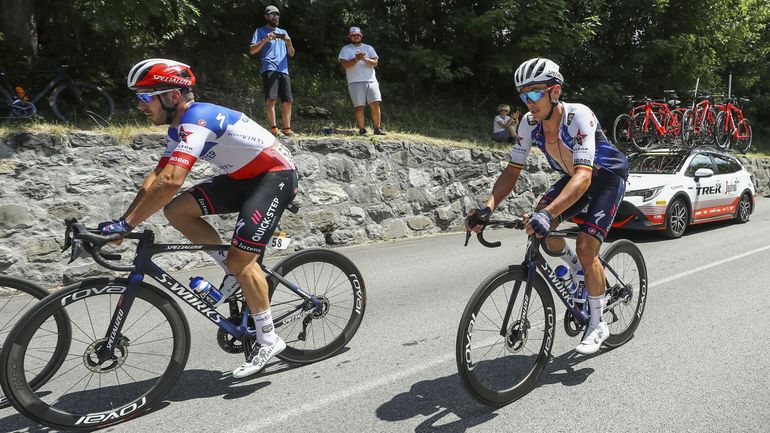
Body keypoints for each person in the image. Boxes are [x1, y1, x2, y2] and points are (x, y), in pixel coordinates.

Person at [101, 58, 297, 378]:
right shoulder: (177, 127)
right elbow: (156, 178)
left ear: (172, 96)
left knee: (243, 261)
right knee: (177, 210)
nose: (140, 105)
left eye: (144, 96)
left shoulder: (197, 118)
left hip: (275, 177)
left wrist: (129, 224)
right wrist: (121, 222)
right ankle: (231, 270)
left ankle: (269, 337)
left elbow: (173, 181)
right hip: (242, 178)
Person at [465, 58, 629, 355]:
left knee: (585, 245)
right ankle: (581, 271)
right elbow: (512, 171)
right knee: (540, 229)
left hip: (605, 177)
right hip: (573, 177)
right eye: (523, 95)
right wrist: (488, 207)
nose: (528, 102)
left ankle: (598, 323)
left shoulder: (578, 116)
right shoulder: (529, 124)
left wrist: (549, 212)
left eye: (534, 93)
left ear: (554, 92)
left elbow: (584, 175)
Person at [249, 5, 296, 137]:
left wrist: (289, 43)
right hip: (269, 68)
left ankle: (287, 129)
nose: (275, 16)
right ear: (266, 16)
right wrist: (265, 39)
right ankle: (274, 129)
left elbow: (291, 54)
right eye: (272, 14)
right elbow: (252, 50)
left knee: (287, 101)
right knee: (271, 99)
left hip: (284, 70)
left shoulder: (283, 32)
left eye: (277, 14)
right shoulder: (260, 31)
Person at [338, 26, 385, 136]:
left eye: (358, 35)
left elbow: (375, 63)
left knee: (375, 104)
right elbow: (345, 65)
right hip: (354, 82)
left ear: (361, 35)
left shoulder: (368, 48)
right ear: (350, 36)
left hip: (371, 80)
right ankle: (362, 130)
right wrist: (356, 59)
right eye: (353, 35)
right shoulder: (345, 49)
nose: (356, 36)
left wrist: (363, 58)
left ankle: (377, 129)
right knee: (359, 107)